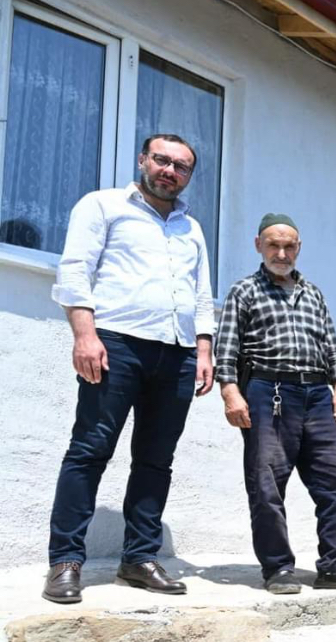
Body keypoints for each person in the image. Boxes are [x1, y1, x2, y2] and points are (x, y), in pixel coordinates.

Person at [44, 134, 214, 604]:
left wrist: (203, 348)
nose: (170, 171)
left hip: (177, 352)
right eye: (162, 160)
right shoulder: (102, 206)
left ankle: (138, 558)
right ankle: (65, 561)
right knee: (89, 451)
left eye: (181, 166)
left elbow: (201, 292)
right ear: (143, 160)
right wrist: (85, 334)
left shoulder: (191, 228)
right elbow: (75, 269)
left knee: (156, 460)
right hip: (116, 343)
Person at [215, 213, 336, 593]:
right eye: (274, 245)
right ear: (259, 246)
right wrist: (229, 390)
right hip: (268, 392)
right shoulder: (244, 291)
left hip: (317, 394)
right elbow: (227, 344)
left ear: (298, 248)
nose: (281, 253)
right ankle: (278, 569)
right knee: (267, 484)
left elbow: (330, 342)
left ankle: (334, 566)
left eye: (288, 246)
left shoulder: (313, 293)